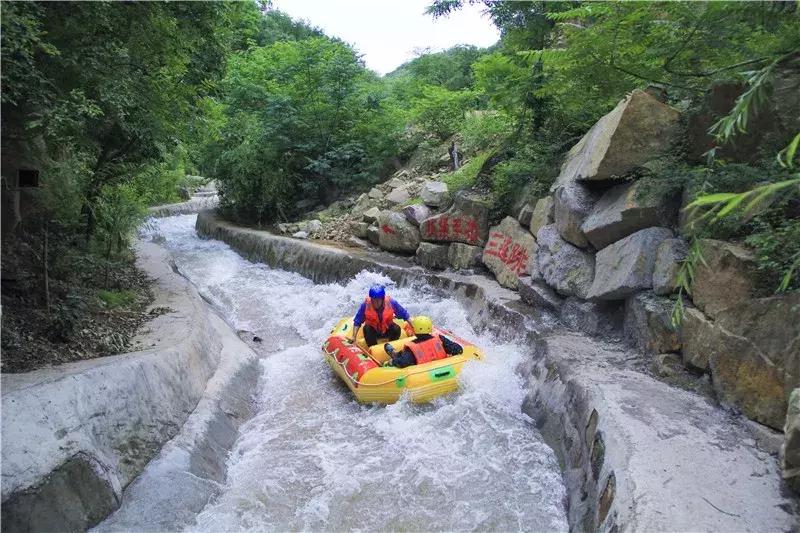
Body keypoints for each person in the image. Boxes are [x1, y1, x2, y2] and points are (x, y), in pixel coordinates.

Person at [384, 316, 463, 368]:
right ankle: (396, 354)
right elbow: (458, 349)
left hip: (423, 374)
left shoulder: (412, 347)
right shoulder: (440, 339)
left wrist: (392, 362)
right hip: (442, 367)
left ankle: (396, 355)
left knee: (403, 356)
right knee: (405, 355)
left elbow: (403, 362)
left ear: (415, 330)